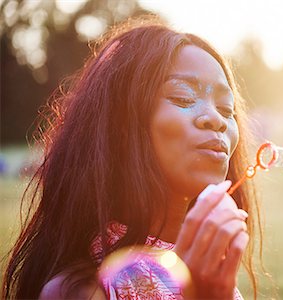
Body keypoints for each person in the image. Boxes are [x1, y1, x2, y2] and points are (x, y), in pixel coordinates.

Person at [2, 16, 262, 299]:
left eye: (226, 109)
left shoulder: (208, 269)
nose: (217, 119)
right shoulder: (79, 290)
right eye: (183, 97)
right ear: (121, 123)